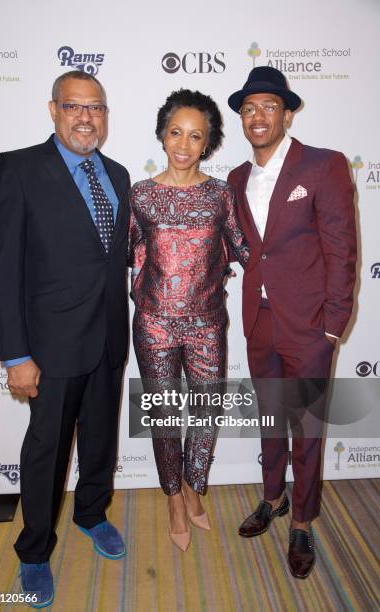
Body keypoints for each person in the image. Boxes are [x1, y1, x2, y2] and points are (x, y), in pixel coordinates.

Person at [0, 70, 130, 607]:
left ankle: (92, 514)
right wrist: (16, 354)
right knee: (46, 450)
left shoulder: (116, 176)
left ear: (105, 115)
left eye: (96, 107)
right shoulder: (17, 168)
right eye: (74, 106)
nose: (86, 117)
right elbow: (2, 271)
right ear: (53, 111)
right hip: (48, 346)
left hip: (109, 339)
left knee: (99, 441)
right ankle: (34, 550)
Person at [227, 66, 356, 578]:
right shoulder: (236, 178)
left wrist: (334, 323)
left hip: (309, 326)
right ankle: (272, 497)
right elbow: (241, 249)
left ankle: (301, 520)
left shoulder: (323, 166)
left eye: (268, 107)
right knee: (268, 421)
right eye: (248, 109)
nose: (258, 117)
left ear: (287, 112)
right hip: (258, 321)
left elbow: (342, 249)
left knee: (306, 428)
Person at [129, 89, 248, 552]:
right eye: (176, 132)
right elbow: (124, 252)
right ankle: (174, 499)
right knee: (163, 416)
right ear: (162, 134)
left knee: (207, 410)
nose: (183, 144)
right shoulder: (140, 195)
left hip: (206, 323)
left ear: (208, 142)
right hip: (154, 324)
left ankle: (196, 487)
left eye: (195, 136)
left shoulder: (222, 194)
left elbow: (241, 247)